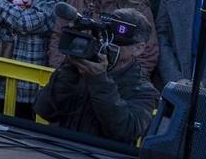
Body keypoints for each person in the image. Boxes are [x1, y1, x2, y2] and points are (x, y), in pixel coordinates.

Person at [33, 10, 159, 142]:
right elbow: (44, 110)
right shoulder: (81, 68)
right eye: (103, 38)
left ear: (139, 48)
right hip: (60, 148)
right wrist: (69, 68)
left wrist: (99, 80)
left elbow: (125, 132)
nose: (105, 46)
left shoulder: (144, 91)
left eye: (115, 42)